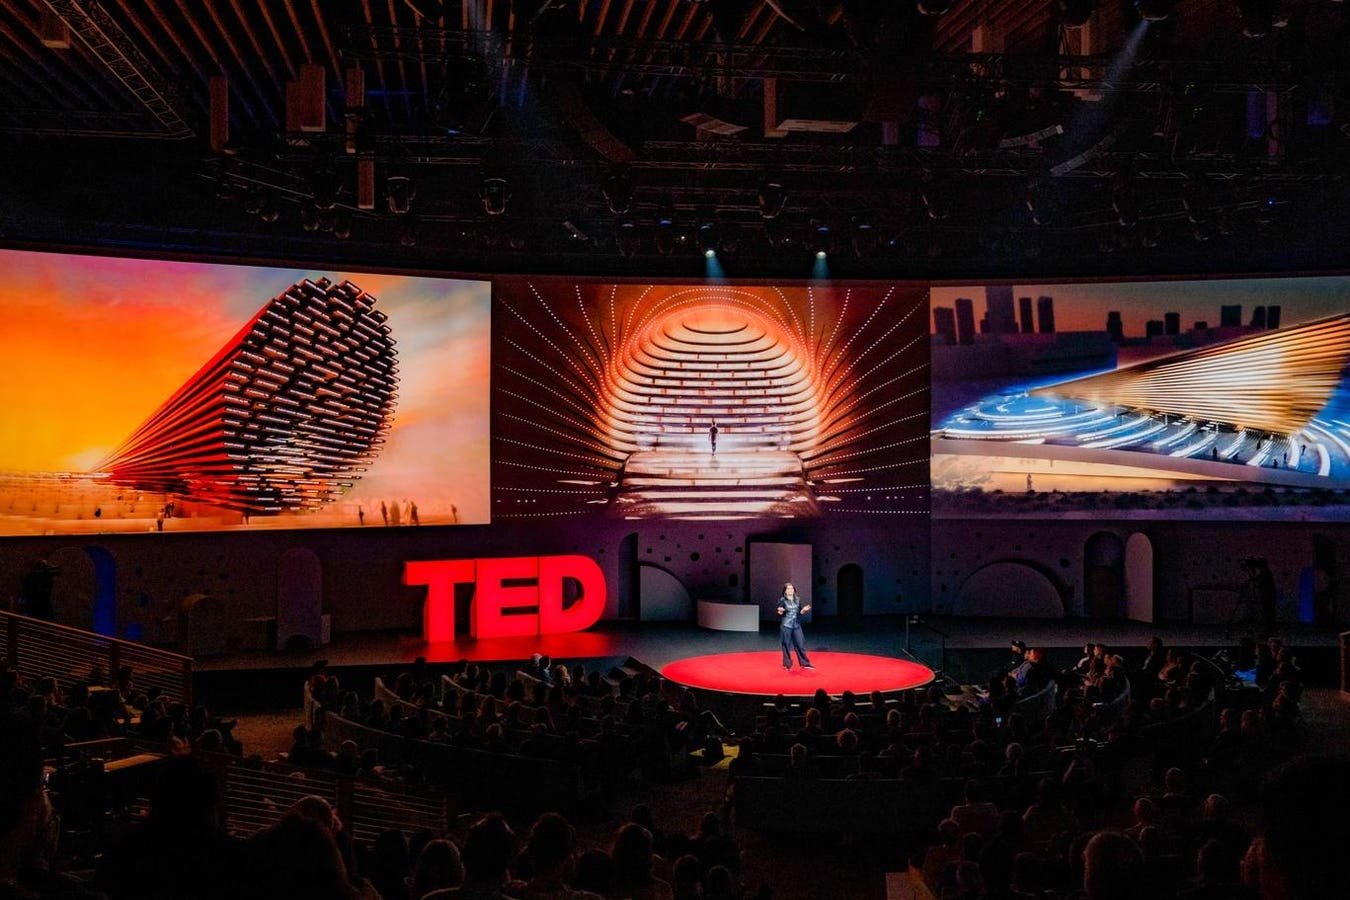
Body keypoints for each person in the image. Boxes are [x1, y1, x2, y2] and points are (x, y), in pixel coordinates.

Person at [776, 582, 813, 671]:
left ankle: (804, 663)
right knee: (786, 645)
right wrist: (780, 611)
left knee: (800, 644)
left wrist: (803, 610)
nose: (790, 590)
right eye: (788, 589)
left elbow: (799, 612)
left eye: (792, 588)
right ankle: (787, 665)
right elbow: (779, 612)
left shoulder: (797, 600)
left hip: (796, 625)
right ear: (785, 591)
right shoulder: (782, 600)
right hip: (786, 625)